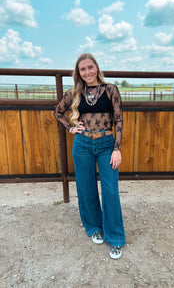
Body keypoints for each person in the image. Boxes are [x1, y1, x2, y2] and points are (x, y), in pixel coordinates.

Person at [54, 53, 126, 259]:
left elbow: (119, 120)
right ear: (78, 73)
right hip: (82, 144)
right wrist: (70, 128)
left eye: (90, 67)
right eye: (82, 69)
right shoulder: (76, 92)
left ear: (96, 68)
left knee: (110, 191)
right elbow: (58, 112)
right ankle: (94, 227)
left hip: (106, 144)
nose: (87, 72)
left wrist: (117, 148)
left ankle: (115, 238)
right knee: (86, 188)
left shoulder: (111, 89)